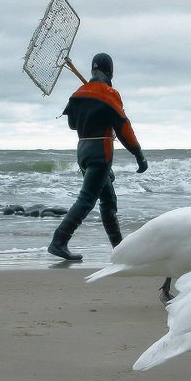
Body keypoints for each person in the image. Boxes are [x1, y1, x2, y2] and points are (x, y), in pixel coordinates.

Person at [47, 53, 148, 261]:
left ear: (93, 70)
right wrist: (139, 155)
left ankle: (119, 248)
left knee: (108, 201)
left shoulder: (78, 93)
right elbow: (124, 128)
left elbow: (72, 124)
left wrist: (92, 114)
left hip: (83, 151)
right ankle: (59, 241)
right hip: (100, 152)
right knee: (86, 200)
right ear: (110, 71)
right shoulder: (109, 94)